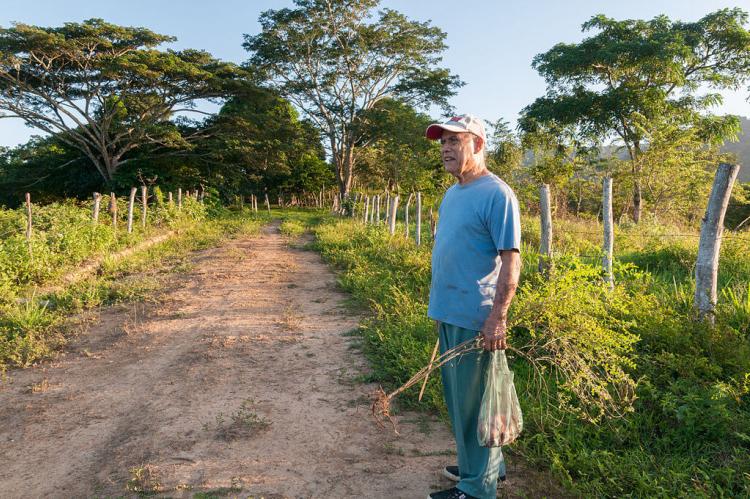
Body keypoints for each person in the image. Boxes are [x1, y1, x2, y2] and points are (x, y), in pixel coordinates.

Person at [424, 114, 522, 499]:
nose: (446, 149)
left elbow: (511, 260)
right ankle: (484, 469)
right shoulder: (453, 193)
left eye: (455, 141)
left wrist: (497, 318)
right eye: (443, 142)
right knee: (461, 400)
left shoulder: (497, 194)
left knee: (472, 403)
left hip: (475, 316)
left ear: (478, 145)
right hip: (449, 310)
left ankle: (477, 489)